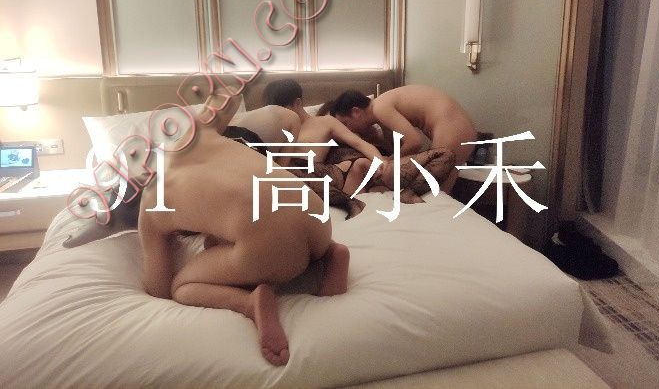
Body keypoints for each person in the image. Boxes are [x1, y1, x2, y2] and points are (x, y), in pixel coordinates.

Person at [138, 86, 350, 367]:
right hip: (318, 217)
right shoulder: (199, 133)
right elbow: (228, 96)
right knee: (260, 217)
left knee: (182, 286)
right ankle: (331, 253)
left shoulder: (150, 205)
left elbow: (159, 288)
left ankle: (250, 303)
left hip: (276, 251)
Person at [329, 85, 477, 192]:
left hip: (452, 126)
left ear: (356, 112)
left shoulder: (380, 108)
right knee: (437, 192)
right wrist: (378, 141)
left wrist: (387, 161)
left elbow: (414, 142)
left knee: (434, 193)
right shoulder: (381, 110)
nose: (348, 130)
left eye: (345, 124)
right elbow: (399, 148)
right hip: (457, 125)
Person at [263, 79, 385, 196]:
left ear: (298, 103)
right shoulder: (275, 129)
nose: (278, 115)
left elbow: (359, 144)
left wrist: (380, 162)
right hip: (283, 177)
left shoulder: (325, 122)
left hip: (310, 177)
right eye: (274, 111)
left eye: (282, 109)